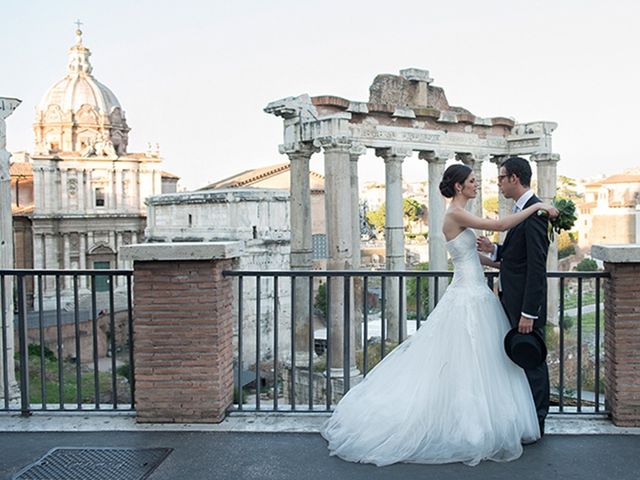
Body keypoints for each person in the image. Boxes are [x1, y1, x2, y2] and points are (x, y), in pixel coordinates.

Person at [321, 163, 558, 467]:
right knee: (470, 359)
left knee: (480, 360)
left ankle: (482, 421)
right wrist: (538, 206)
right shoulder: (454, 213)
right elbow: (499, 226)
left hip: (476, 292)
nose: (478, 185)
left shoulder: (459, 215)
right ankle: (471, 424)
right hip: (467, 295)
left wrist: (494, 256)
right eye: (473, 181)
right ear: (459, 186)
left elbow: (474, 255)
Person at [476, 156, 552, 438]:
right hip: (514, 301)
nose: (499, 183)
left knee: (532, 361)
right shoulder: (525, 210)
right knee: (520, 358)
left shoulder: (535, 213)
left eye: (501, 177)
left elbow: (536, 268)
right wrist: (494, 251)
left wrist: (529, 313)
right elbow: (516, 260)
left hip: (524, 307)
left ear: (515, 179)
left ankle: (538, 423)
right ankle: (526, 420)